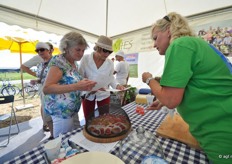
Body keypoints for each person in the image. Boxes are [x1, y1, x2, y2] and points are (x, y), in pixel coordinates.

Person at [142, 12, 232, 164]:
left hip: (221, 131)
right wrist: (162, 100)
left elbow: (171, 100)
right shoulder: (195, 44)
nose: (154, 44)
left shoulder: (179, 45)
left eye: (156, 38)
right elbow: (196, 82)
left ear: (169, 30)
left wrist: (149, 79)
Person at [43, 31, 96, 139]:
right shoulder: (59, 61)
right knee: (63, 142)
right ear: (66, 47)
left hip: (72, 110)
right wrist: (77, 86)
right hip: (61, 112)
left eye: (83, 50)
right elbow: (47, 88)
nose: (81, 53)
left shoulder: (73, 63)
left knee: (75, 138)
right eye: (78, 49)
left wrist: (87, 86)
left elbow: (72, 83)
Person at [78, 35, 124, 120]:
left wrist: (117, 86)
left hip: (103, 94)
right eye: (105, 50)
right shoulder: (86, 59)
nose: (107, 54)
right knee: (88, 118)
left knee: (104, 118)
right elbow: (79, 76)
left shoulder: (110, 63)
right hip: (88, 94)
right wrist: (87, 85)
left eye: (109, 52)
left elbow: (111, 78)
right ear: (98, 48)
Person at [20, 42, 53, 132]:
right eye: (38, 50)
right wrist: (37, 76)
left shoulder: (54, 60)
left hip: (53, 87)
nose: (40, 52)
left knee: (51, 106)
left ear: (50, 50)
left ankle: (51, 125)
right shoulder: (38, 58)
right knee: (45, 106)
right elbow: (23, 66)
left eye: (42, 49)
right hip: (44, 87)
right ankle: (45, 123)